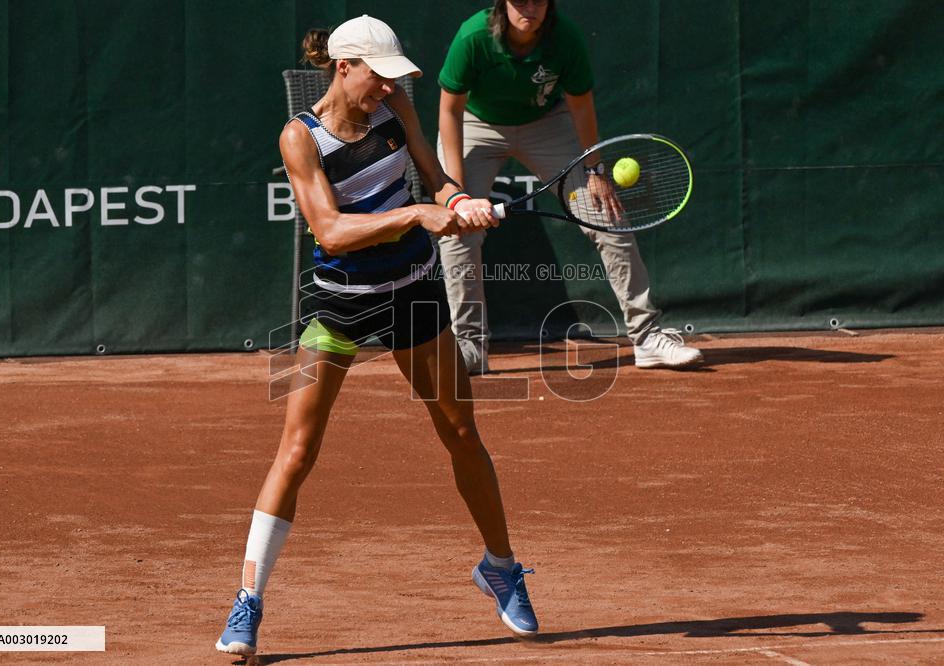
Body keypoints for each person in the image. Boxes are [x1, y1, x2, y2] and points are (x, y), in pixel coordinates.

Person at [215, 15, 538, 656]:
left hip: (414, 295)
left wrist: (455, 200)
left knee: (463, 433)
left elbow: (435, 174)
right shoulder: (299, 138)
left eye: (394, 79)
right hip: (338, 307)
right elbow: (330, 232)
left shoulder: (396, 109)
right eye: (378, 77)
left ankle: (500, 567)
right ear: (344, 68)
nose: (388, 89)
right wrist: (418, 213)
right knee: (297, 452)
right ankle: (247, 602)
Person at [437, 0, 703, 374]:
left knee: (609, 219)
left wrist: (595, 170)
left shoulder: (565, 39)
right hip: (476, 126)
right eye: (519, 0)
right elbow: (449, 109)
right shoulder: (473, 37)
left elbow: (581, 106)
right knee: (456, 232)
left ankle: (646, 338)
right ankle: (469, 347)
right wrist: (458, 194)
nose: (528, 7)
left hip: (547, 126)